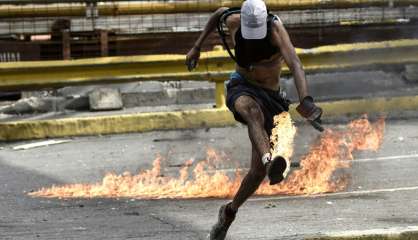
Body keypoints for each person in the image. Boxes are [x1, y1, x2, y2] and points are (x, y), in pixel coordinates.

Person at [185, 0, 323, 239]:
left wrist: (306, 100)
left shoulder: (276, 30)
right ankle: (270, 161)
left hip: (271, 96)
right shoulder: (234, 20)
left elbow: (295, 64)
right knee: (251, 112)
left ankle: (229, 212)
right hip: (242, 86)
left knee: (256, 174)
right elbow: (217, 13)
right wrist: (197, 46)